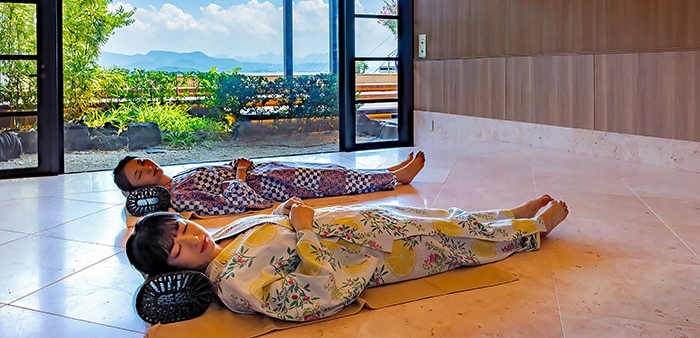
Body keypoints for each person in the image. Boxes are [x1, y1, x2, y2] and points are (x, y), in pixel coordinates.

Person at [126, 194, 569, 322]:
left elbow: (269, 229)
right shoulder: (235, 287)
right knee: (447, 241)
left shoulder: (223, 236)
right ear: (173, 270)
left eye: (185, 229)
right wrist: (304, 231)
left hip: (353, 223)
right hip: (370, 254)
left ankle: (506, 214)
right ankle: (531, 231)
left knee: (434, 217)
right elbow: (316, 295)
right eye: (179, 249)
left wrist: (284, 213)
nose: (194, 239)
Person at [113, 151, 426, 216]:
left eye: (141, 162)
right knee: (332, 181)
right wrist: (240, 173)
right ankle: (396, 178)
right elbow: (235, 204)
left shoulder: (180, 177)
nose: (148, 167)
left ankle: (387, 171)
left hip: (265, 171)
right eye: (140, 174)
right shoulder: (180, 197)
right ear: (141, 190)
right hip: (269, 185)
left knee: (329, 168)